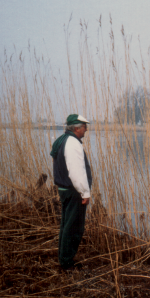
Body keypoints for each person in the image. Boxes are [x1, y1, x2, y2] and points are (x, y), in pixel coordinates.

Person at [50, 114, 93, 271]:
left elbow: (55, 161)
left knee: (66, 225)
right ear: (76, 128)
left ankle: (64, 258)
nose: (86, 129)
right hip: (73, 191)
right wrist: (85, 192)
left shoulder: (61, 140)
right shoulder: (73, 144)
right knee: (74, 227)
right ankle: (67, 263)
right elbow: (76, 172)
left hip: (65, 189)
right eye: (84, 127)